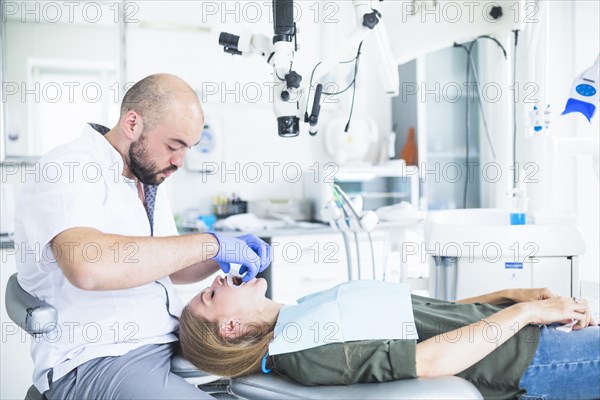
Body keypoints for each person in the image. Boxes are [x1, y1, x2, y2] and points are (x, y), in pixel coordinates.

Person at [14, 73, 272, 400]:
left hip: (163, 339)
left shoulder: (146, 180)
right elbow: (87, 266)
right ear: (132, 123)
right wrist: (210, 243)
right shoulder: (70, 167)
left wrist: (219, 256)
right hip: (99, 357)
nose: (179, 161)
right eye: (173, 146)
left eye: (187, 149)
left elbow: (168, 266)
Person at [179, 275, 600, 400]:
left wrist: (509, 296)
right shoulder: (305, 352)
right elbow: (431, 362)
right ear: (229, 328)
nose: (217, 278)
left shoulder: (301, 313)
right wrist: (525, 312)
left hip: (526, 333)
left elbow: (426, 315)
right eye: (212, 294)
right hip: (528, 359)